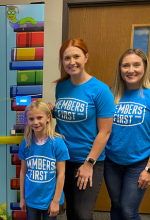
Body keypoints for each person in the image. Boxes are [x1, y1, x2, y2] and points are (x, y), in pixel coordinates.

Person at [49, 38, 115, 220]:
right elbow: (70, 115)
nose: (72, 62)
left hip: (87, 160)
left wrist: (89, 164)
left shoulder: (100, 90)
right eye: (66, 58)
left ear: (86, 57)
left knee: (82, 214)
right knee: (71, 210)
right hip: (62, 158)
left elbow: (105, 131)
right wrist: (52, 112)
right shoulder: (61, 87)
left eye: (76, 56)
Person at [105, 48, 150, 220]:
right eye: (125, 65)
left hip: (139, 163)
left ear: (145, 67)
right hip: (111, 161)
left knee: (128, 210)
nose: (131, 70)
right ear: (120, 69)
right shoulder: (111, 94)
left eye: (136, 65)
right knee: (116, 205)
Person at [19, 101, 70, 220]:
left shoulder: (57, 143)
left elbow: (61, 174)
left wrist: (56, 201)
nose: (35, 122)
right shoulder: (26, 143)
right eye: (31, 119)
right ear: (27, 120)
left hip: (50, 200)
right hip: (31, 199)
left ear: (48, 118)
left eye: (39, 118)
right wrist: (22, 198)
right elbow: (23, 172)